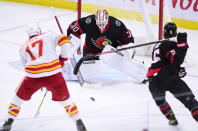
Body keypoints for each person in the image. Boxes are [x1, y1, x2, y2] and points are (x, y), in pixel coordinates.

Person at [0, 23, 87, 131]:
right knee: (66, 101)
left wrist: (39, 76)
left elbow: (25, 67)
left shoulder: (23, 46)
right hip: (54, 75)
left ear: (28, 34)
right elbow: (66, 43)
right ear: (39, 30)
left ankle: (8, 123)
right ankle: (79, 122)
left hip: (32, 78)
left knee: (17, 100)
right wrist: (62, 59)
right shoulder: (49, 34)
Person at [67, 9, 148, 84]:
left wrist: (126, 55)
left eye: (103, 24)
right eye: (99, 24)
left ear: (107, 20)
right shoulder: (89, 21)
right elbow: (72, 28)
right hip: (90, 51)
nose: (101, 26)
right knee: (92, 75)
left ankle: (143, 72)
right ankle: (65, 71)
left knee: (124, 61)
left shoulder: (116, 24)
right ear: (95, 20)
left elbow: (128, 41)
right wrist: (72, 46)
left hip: (109, 51)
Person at [146, 22, 198, 125]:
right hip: (169, 78)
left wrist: (176, 71)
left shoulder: (158, 45)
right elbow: (176, 60)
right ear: (176, 32)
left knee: (161, 102)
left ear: (164, 33)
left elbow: (163, 62)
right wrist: (182, 44)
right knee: (191, 103)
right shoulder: (169, 44)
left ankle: (172, 119)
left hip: (154, 80)